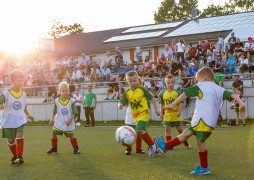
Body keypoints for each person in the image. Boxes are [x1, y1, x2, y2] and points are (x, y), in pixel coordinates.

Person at [154, 67, 246, 175]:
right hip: (204, 121)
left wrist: (174, 104)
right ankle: (165, 146)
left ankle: (204, 167)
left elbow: (185, 94)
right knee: (185, 134)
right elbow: (232, 94)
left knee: (199, 142)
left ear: (205, 77)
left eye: (198, 80)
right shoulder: (218, 88)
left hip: (203, 120)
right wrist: (241, 103)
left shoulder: (201, 86)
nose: (197, 82)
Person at [118, 71, 160, 157]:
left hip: (144, 113)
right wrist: (120, 105)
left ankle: (153, 147)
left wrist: (156, 109)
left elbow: (152, 99)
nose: (132, 83)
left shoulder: (142, 89)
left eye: (134, 81)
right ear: (127, 81)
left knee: (139, 129)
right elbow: (121, 102)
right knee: (139, 131)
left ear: (138, 80)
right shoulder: (127, 93)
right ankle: (148, 147)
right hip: (134, 116)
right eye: (130, 81)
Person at [0, 70, 34, 165]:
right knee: (11, 140)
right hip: (8, 120)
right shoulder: (6, 93)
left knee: (20, 134)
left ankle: (20, 156)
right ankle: (15, 155)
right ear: (12, 81)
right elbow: (0, 101)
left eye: (22, 80)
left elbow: (24, 106)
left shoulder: (23, 94)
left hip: (19, 119)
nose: (21, 83)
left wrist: (28, 115)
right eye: (19, 81)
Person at [47, 82, 80, 154]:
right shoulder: (57, 100)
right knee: (53, 133)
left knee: (71, 135)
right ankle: (54, 148)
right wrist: (52, 119)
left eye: (66, 91)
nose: (65, 92)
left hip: (68, 121)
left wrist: (70, 120)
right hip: (59, 120)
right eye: (63, 91)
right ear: (60, 91)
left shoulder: (71, 101)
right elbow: (54, 111)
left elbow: (75, 112)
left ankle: (76, 149)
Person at [160, 75, 191, 149]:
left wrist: (179, 111)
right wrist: (161, 112)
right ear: (165, 84)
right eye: (168, 83)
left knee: (180, 130)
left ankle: (186, 143)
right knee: (167, 130)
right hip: (168, 115)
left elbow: (181, 102)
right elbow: (162, 104)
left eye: (172, 82)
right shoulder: (163, 94)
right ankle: (169, 145)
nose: (170, 84)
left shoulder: (177, 93)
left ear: (174, 83)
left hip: (176, 115)